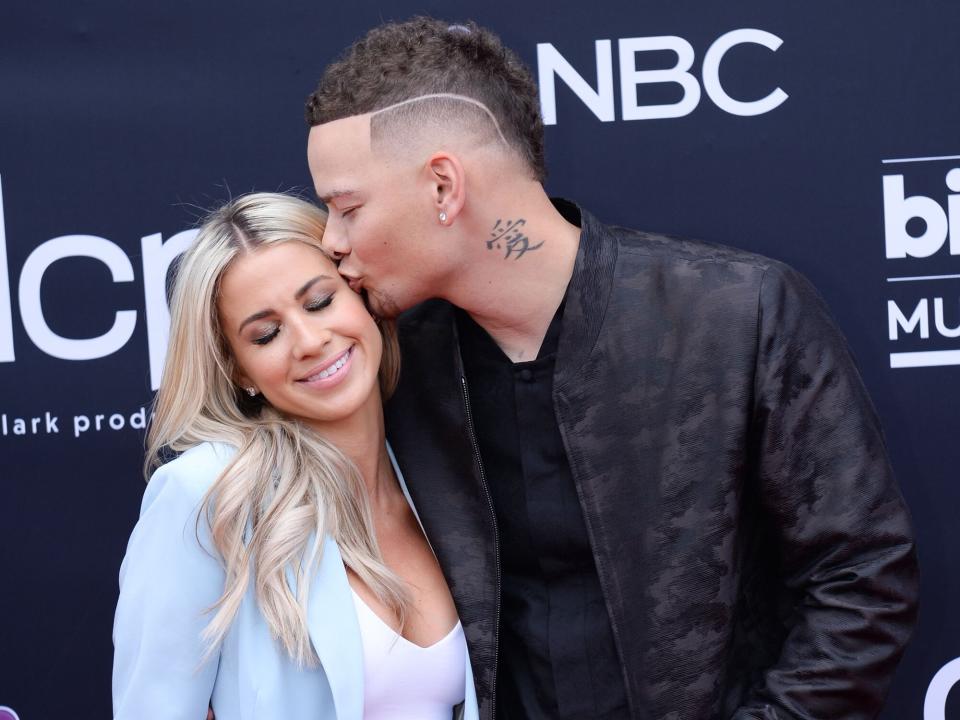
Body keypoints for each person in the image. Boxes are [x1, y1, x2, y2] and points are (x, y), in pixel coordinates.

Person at [303, 17, 921, 720]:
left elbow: (862, 580)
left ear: (444, 187)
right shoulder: (388, 370)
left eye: (346, 207)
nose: (331, 240)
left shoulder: (737, 316)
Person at [112, 192, 478, 720]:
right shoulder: (208, 494)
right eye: (266, 334)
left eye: (319, 302)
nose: (309, 340)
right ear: (239, 371)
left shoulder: (444, 472)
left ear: (362, 297)